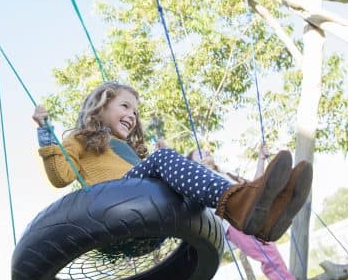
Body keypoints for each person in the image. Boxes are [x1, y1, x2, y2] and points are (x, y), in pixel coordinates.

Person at [31, 81, 312, 241]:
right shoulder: (79, 140)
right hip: (111, 210)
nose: (132, 115)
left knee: (179, 175)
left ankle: (265, 215)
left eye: (136, 112)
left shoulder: (127, 150)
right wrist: (45, 133)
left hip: (145, 214)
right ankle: (240, 203)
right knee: (164, 159)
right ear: (100, 107)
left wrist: (161, 165)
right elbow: (60, 177)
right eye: (125, 106)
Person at [187, 145, 308, 280]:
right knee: (270, 258)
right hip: (236, 222)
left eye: (206, 150)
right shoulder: (200, 179)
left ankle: (285, 197)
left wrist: (260, 159)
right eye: (200, 153)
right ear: (194, 163)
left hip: (250, 211)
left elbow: (255, 187)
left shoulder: (226, 172)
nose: (206, 150)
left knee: (273, 258)